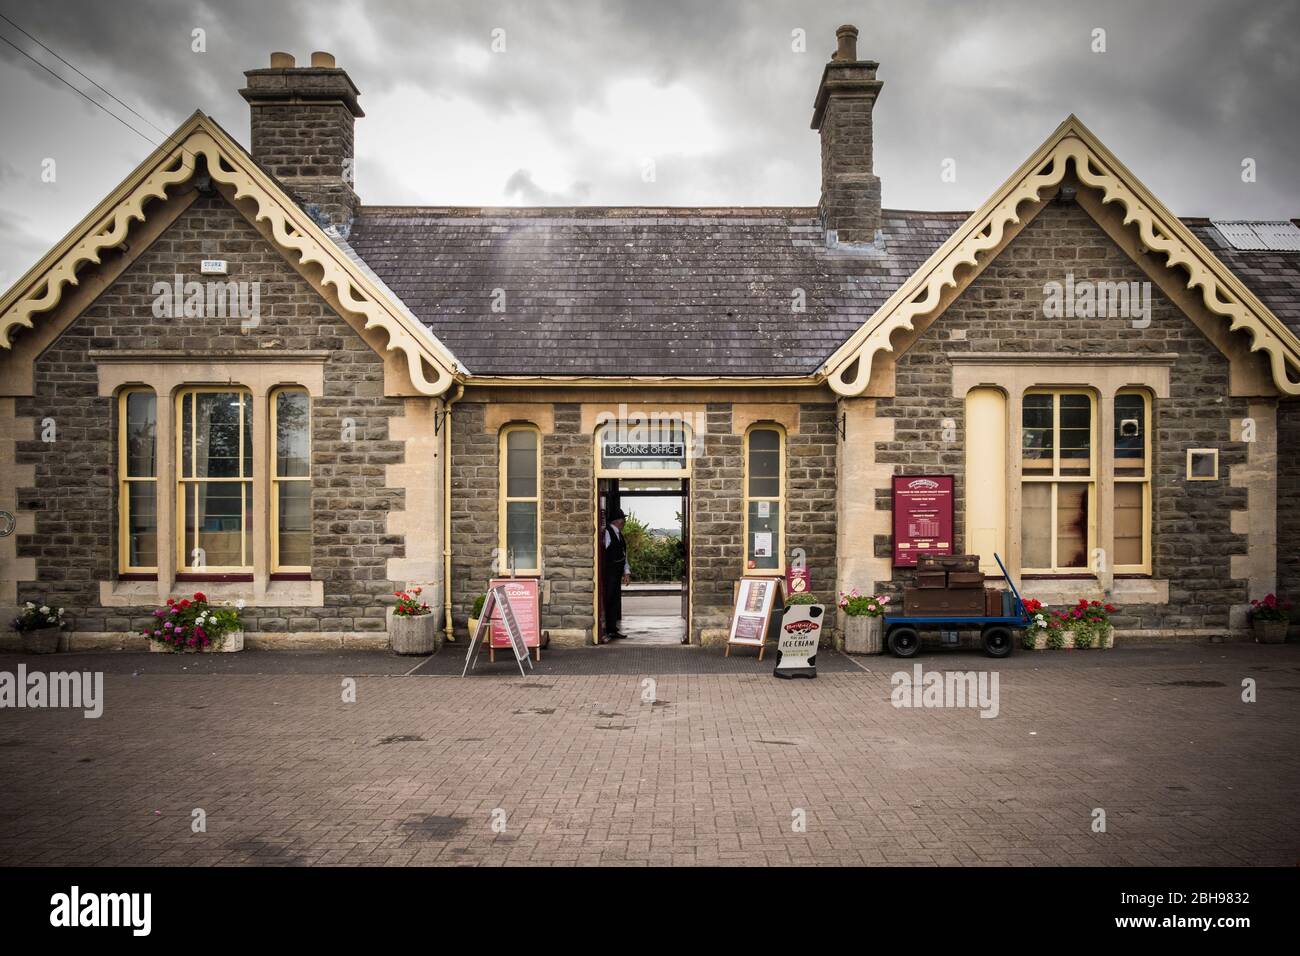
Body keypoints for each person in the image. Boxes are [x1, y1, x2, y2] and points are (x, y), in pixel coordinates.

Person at [601, 508, 631, 643]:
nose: (624, 522)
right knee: (608, 600)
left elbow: (623, 555)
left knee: (614, 600)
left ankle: (612, 629)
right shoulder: (607, 532)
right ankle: (607, 629)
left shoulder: (619, 534)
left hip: (616, 573)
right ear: (618, 521)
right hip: (609, 573)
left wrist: (626, 572)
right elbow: (603, 553)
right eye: (623, 519)